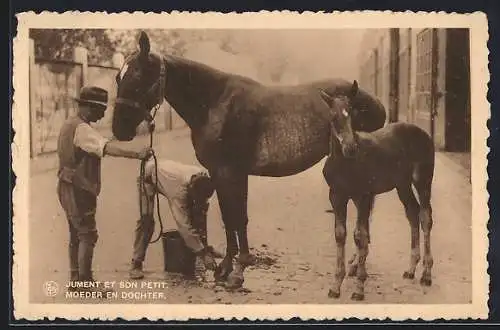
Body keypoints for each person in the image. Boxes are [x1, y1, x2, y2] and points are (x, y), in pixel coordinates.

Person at [57, 86, 153, 295]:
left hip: (65, 184)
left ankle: (76, 280)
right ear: (90, 107)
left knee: (76, 233)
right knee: (88, 235)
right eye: (100, 110)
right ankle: (86, 283)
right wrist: (137, 154)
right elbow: (106, 147)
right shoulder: (83, 130)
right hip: (79, 187)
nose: (102, 115)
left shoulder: (69, 124)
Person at [130, 157, 223, 280]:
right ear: (190, 190)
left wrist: (204, 248)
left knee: (198, 212)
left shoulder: (202, 176)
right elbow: (183, 225)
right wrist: (203, 255)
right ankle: (136, 263)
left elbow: (201, 209)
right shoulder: (178, 191)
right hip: (148, 177)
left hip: (166, 171)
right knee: (146, 221)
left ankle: (203, 248)